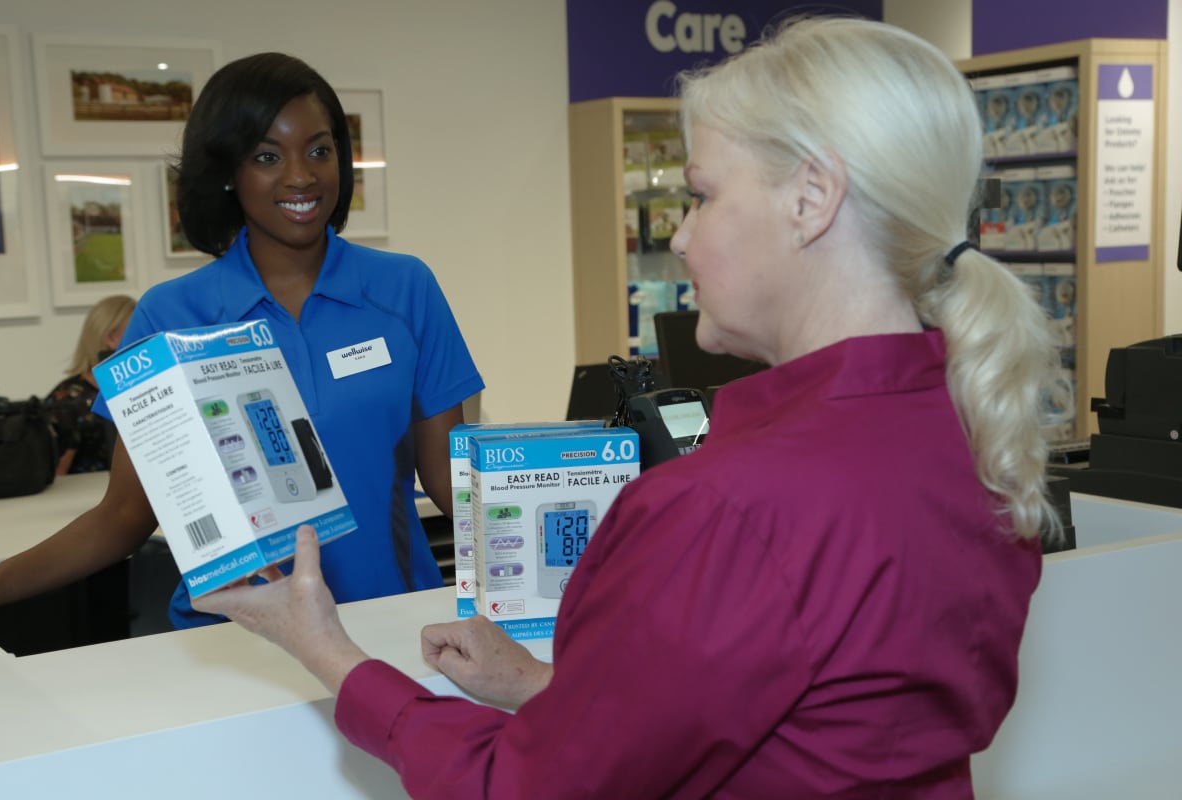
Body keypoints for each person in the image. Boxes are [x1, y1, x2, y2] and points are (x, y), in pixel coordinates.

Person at [190, 17, 1068, 797]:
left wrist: (327, 654)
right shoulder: (970, 430)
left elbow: (521, 787)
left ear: (812, 198)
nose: (681, 234)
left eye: (703, 195)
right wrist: (549, 688)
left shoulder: (724, 507)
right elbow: (808, 719)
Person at [0, 52, 482, 630]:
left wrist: (564, 546)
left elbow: (450, 485)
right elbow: (123, 516)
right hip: (238, 643)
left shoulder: (405, 290)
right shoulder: (172, 317)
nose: (301, 175)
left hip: (392, 626)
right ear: (227, 173)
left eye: (320, 150)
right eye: (267, 155)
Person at [44, 294, 136, 476]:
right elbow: (55, 477)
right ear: (111, 338)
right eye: (137, 331)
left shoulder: (137, 390)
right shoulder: (68, 401)